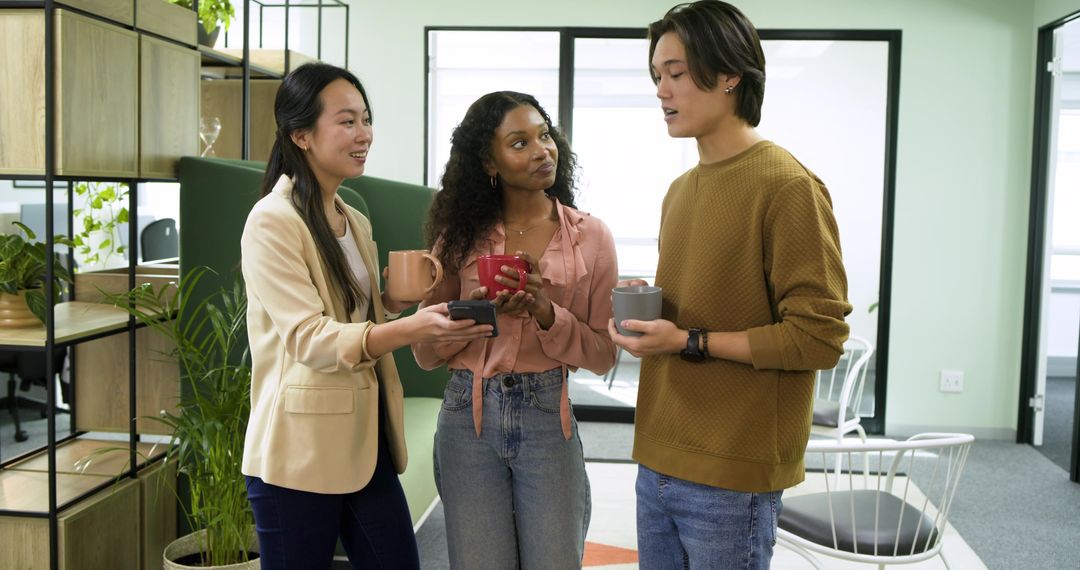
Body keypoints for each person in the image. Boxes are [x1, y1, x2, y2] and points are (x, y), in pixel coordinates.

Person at [608, 2, 853, 568]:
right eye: (656, 76)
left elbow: (818, 339)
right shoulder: (679, 190)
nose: (661, 91)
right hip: (657, 458)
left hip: (733, 472)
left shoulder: (788, 187)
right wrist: (658, 306)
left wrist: (689, 340)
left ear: (727, 75)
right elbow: (709, 296)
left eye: (675, 73)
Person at [239, 62, 493, 569]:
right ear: (302, 135)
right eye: (347, 121)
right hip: (299, 454)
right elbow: (311, 339)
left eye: (366, 119)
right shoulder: (272, 221)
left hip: (364, 443)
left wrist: (398, 301)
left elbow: (358, 317)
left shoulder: (350, 216)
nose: (364, 134)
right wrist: (412, 327)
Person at [412, 91, 619, 569]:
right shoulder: (458, 238)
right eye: (520, 143)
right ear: (490, 160)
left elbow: (605, 355)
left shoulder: (592, 237)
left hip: (549, 415)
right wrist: (473, 313)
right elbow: (424, 352)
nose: (542, 150)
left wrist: (547, 312)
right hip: (469, 415)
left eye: (544, 135)